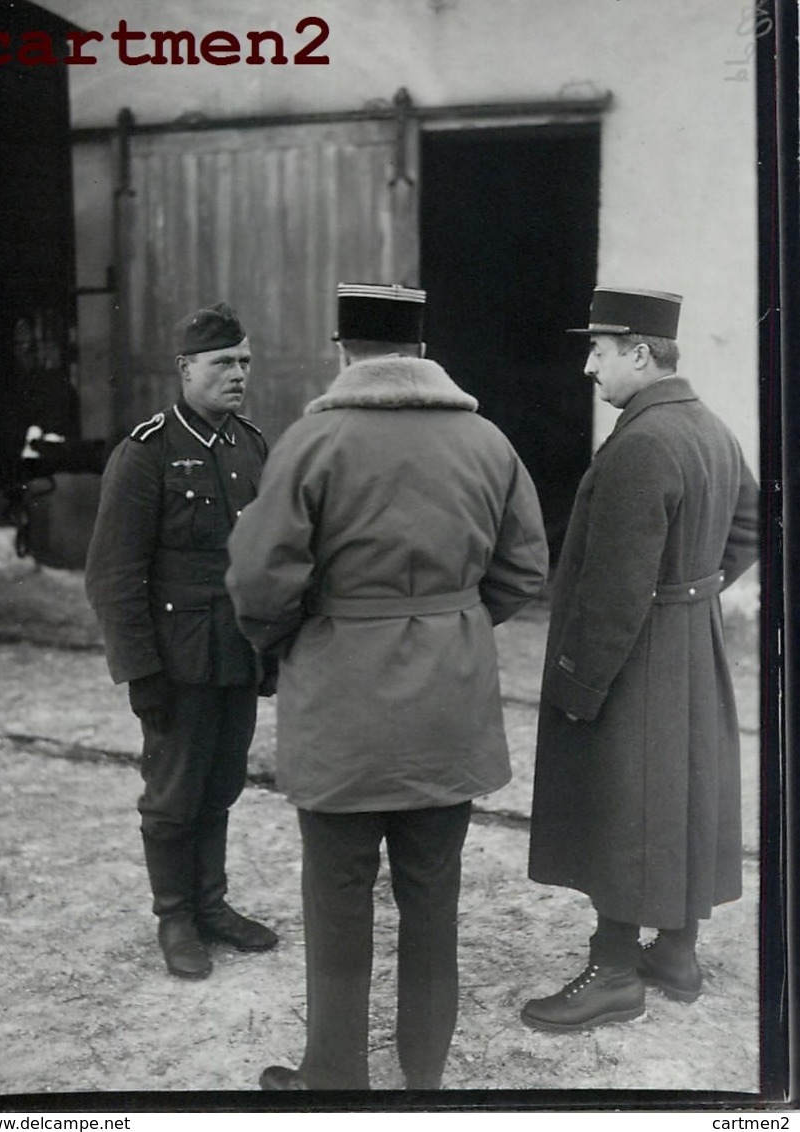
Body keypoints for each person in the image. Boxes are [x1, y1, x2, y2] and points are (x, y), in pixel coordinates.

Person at [225, 283, 549, 1090]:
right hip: (450, 710)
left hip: (341, 714)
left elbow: (261, 582)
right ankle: (424, 1086)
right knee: (433, 907)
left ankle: (334, 1084)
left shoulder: (310, 442)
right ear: (420, 351)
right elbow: (522, 571)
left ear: (344, 350)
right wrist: (452, 627)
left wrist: (295, 641)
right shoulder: (487, 441)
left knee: (337, 906)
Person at [522, 287, 759, 1032]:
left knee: (621, 803)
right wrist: (697, 589)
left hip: (636, 655)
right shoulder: (710, 430)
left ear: (638, 352)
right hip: (690, 643)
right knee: (680, 792)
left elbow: (615, 586)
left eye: (597, 351)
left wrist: (578, 683)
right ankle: (676, 953)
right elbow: (752, 521)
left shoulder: (642, 441)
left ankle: (614, 971)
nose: (590, 368)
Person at [85, 302, 278, 980]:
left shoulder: (251, 445)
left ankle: (211, 904)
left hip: (237, 655)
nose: (237, 374)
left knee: (221, 783)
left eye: (245, 362)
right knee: (172, 794)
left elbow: (267, 557)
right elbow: (112, 574)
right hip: (177, 661)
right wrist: (140, 671)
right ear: (185, 368)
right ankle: (174, 917)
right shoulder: (147, 451)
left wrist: (271, 651)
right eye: (223, 362)